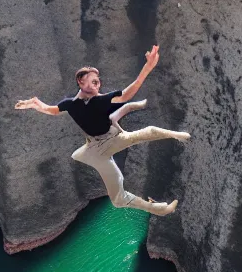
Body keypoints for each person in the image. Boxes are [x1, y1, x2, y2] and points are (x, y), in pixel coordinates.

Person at [15, 45, 190, 216]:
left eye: (98, 81)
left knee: (148, 132)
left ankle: (176, 137)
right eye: (93, 81)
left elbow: (126, 94)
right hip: (95, 151)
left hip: (112, 140)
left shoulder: (100, 100)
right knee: (117, 199)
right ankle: (158, 209)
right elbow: (51, 110)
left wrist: (147, 68)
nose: (97, 84)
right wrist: (35, 104)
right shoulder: (70, 104)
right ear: (80, 82)